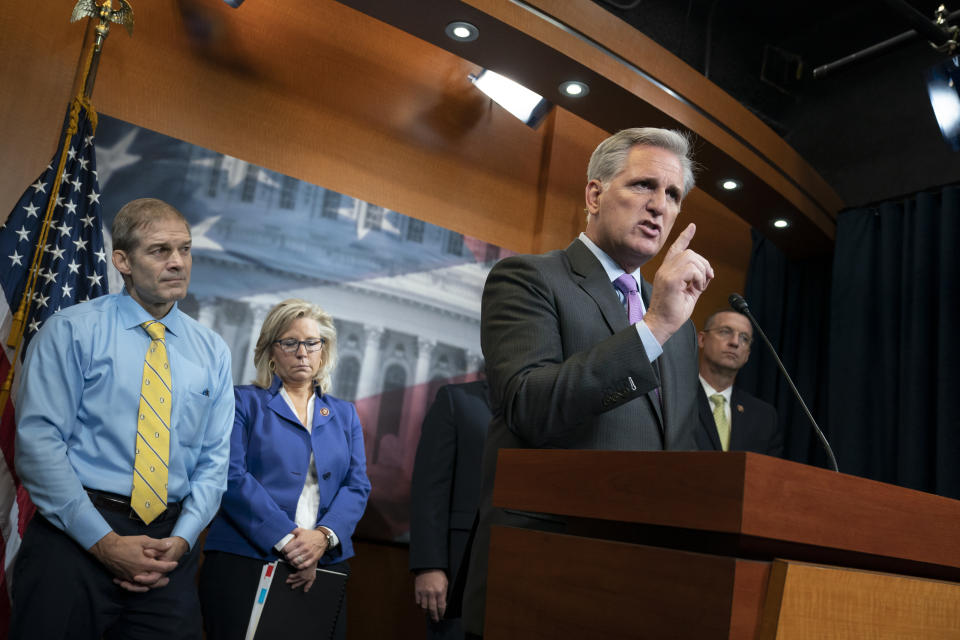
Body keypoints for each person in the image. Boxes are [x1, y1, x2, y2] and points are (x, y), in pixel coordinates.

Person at [462, 127, 714, 637]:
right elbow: (531, 407)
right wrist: (655, 327)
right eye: (644, 185)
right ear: (595, 194)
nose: (659, 207)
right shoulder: (529, 279)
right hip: (544, 575)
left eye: (673, 195)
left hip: (644, 587)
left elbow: (685, 450)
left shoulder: (680, 327)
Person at [11, 198, 235, 640]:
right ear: (122, 261)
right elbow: (39, 445)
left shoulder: (214, 352)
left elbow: (214, 461)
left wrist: (183, 540)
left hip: (168, 553)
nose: (177, 263)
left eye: (185, 249)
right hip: (74, 538)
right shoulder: (72, 331)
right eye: (159, 251)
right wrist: (105, 544)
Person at [199, 298, 371, 640]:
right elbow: (231, 476)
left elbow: (357, 486)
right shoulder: (243, 401)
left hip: (324, 564)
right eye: (290, 343)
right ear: (271, 351)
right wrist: (291, 542)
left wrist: (321, 538)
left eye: (312, 343)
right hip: (245, 560)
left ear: (324, 350)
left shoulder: (344, 414)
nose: (302, 352)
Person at [409, 380, 492, 639]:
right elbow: (429, 487)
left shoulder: (546, 411)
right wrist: (429, 566)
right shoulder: (456, 400)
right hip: (458, 573)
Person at [695, 309, 783, 456]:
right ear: (702, 339)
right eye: (725, 332)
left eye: (744, 338)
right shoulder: (674, 399)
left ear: (747, 355)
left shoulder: (764, 417)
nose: (735, 342)